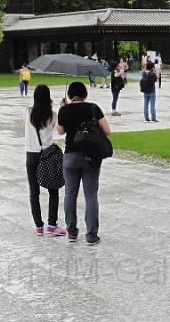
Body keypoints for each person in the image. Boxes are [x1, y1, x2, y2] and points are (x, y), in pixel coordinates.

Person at [57, 82, 111, 244]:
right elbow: (107, 131)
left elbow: (60, 131)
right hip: (91, 157)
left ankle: (71, 232)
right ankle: (91, 235)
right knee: (91, 195)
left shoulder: (64, 110)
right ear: (85, 94)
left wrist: (63, 109)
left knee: (70, 194)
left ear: (70, 95)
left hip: (71, 156)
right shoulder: (93, 108)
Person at [25, 84, 65, 236]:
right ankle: (52, 224)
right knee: (53, 190)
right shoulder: (53, 115)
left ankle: (39, 226)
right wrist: (62, 107)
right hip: (47, 155)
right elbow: (60, 130)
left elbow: (35, 108)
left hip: (31, 155)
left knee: (33, 191)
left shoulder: (28, 112)